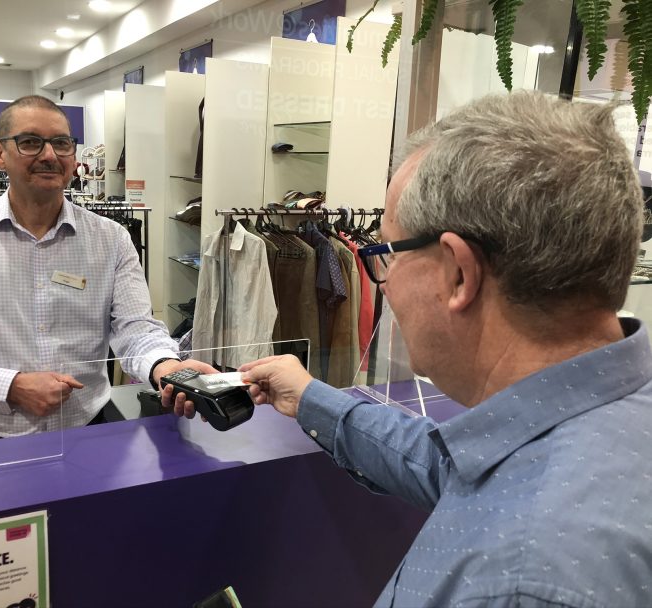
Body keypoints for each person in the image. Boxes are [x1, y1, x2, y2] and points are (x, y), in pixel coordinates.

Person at [239, 92, 652, 606]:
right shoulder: (595, 419)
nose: (382, 282)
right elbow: (445, 465)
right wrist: (309, 396)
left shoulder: (525, 578)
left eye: (385, 253)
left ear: (459, 272)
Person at [0, 95, 213, 444]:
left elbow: (134, 327)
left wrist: (164, 366)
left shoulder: (111, 239)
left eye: (61, 143)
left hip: (86, 433)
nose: (49, 155)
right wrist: (10, 386)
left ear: (73, 156)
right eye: (30, 142)